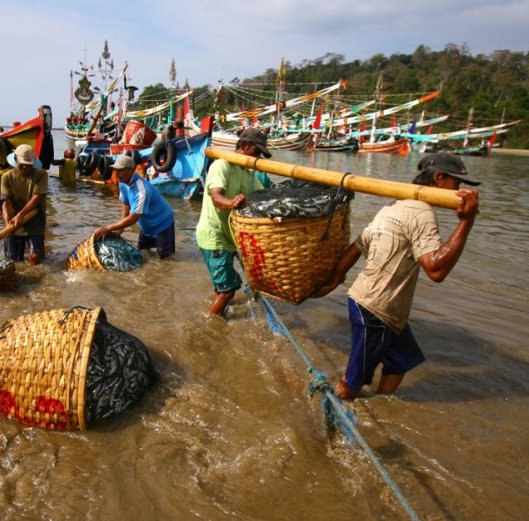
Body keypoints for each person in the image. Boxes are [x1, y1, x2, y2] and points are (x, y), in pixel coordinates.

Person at [312, 152, 480, 400]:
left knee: (402, 360)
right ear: (439, 178)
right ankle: (333, 418)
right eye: (457, 183)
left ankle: (379, 404)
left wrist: (334, 281)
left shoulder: (393, 206)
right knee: (353, 383)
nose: (459, 190)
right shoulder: (422, 213)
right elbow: (436, 270)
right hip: (375, 309)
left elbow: (356, 247)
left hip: (381, 308)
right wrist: (466, 222)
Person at [195, 127, 272, 317]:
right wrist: (232, 202)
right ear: (244, 146)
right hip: (214, 236)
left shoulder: (248, 174)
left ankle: (218, 313)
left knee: (222, 285)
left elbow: (263, 198)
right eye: (256, 152)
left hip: (230, 238)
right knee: (227, 290)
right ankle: (209, 329)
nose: (257, 158)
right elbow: (216, 197)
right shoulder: (222, 165)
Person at [94, 154, 176, 260]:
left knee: (165, 257)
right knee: (142, 252)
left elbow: (133, 218)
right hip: (147, 224)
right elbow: (126, 204)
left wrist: (108, 228)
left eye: (120, 170)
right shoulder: (122, 182)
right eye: (115, 170)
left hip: (162, 222)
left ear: (131, 170)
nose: (116, 173)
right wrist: (120, 229)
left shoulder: (142, 190)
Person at [0, 144, 48, 266]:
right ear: (15, 160)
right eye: (22, 164)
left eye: (29, 164)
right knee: (12, 260)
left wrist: (21, 215)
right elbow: (6, 202)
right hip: (14, 223)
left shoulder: (41, 175)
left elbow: (36, 197)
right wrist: (7, 225)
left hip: (35, 220)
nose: (25, 167)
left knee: (35, 257)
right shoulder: (7, 177)